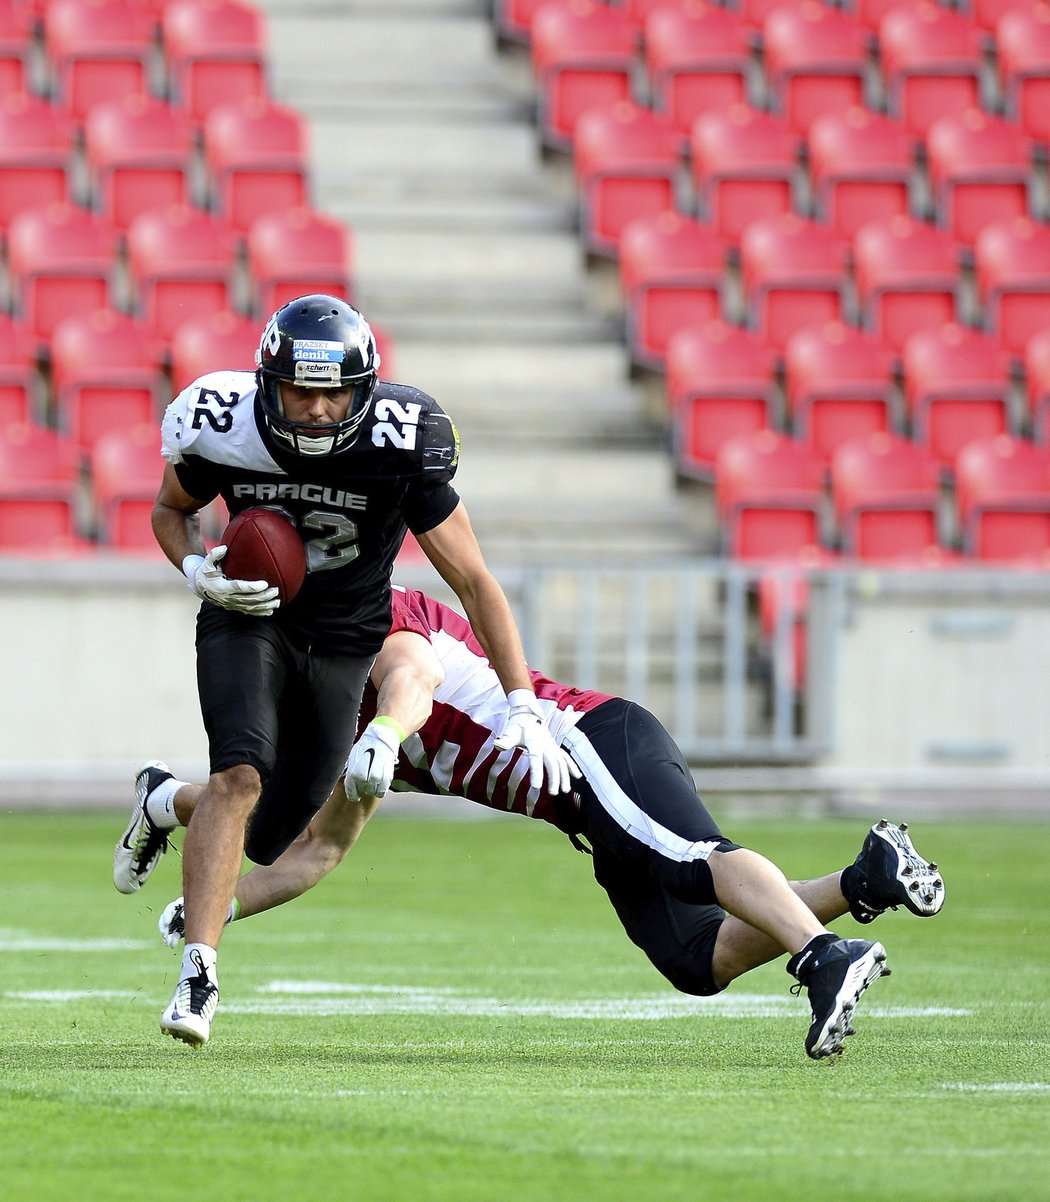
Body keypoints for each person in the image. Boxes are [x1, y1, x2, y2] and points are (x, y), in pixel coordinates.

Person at [124, 586, 945, 1060]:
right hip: (576, 808)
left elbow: (410, 674)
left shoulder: (370, 628)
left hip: (593, 745)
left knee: (694, 856)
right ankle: (863, 878)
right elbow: (317, 851)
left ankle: (822, 957)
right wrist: (220, 906)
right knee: (698, 960)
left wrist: (384, 732)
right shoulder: (337, 735)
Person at [115, 295, 577, 1048]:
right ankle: (198, 973)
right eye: (303, 390)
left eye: (337, 392)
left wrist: (520, 699)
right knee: (241, 776)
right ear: (269, 382)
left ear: (366, 390)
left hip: (346, 638)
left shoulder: (404, 438)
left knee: (273, 829)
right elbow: (171, 510)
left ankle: (164, 800)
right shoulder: (219, 421)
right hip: (249, 615)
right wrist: (198, 567)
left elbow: (474, 580)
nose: (322, 408)